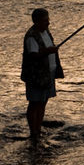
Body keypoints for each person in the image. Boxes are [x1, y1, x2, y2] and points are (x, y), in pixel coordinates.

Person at [21, 8, 64, 142]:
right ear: (37, 21)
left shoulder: (45, 31)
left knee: (43, 101)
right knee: (35, 103)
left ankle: (38, 129)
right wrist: (48, 51)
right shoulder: (31, 36)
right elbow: (33, 55)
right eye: (45, 20)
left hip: (48, 73)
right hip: (36, 76)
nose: (48, 23)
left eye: (48, 20)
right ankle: (33, 132)